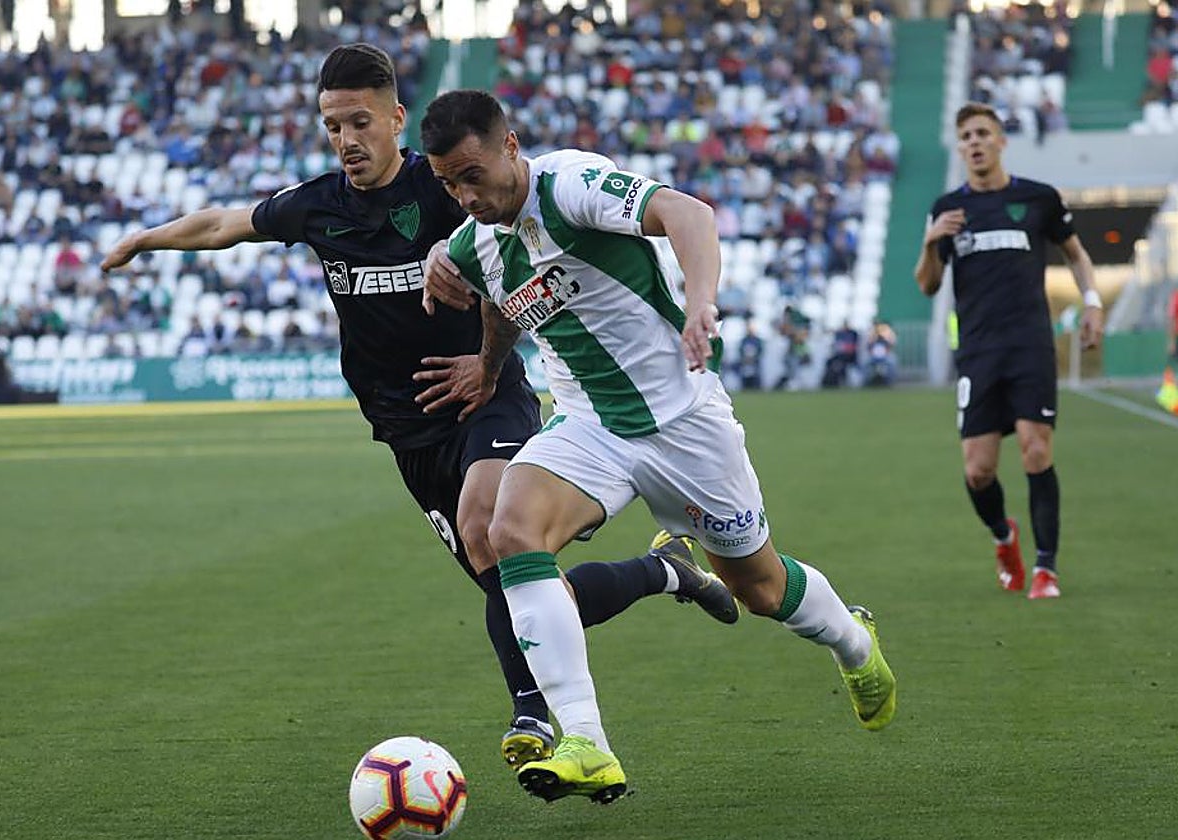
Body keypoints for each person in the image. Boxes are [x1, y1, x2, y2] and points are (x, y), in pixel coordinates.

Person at [100, 44, 738, 770]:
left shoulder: (445, 187)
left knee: (493, 531)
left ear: (396, 119)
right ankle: (666, 573)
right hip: (407, 433)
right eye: (332, 124)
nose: (346, 139)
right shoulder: (319, 207)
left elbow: (521, 234)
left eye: (360, 122)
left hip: (485, 402)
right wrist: (145, 241)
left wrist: (488, 361)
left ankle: (533, 717)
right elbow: (223, 225)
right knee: (521, 589)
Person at [419, 89, 897, 805]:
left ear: (510, 147)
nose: (465, 195)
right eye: (448, 184)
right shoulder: (473, 243)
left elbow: (687, 213)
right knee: (508, 527)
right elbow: (497, 297)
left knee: (760, 589)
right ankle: (587, 740)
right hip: (589, 426)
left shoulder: (568, 185)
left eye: (472, 174)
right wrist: (489, 366)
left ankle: (854, 644)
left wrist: (702, 302)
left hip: (684, 423)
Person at [914, 102, 1105, 601]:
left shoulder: (1038, 198)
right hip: (977, 351)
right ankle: (1005, 537)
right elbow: (928, 285)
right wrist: (932, 242)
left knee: (1036, 449)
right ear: (960, 149)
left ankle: (1046, 570)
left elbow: (1077, 255)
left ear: (1001, 141)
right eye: (966, 137)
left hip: (1030, 345)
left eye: (983, 133)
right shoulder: (947, 210)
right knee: (978, 470)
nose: (975, 142)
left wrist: (1093, 302)